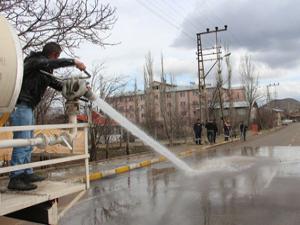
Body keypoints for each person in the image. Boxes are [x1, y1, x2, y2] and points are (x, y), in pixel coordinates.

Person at [8, 42, 86, 191]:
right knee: (22, 141)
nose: (57, 59)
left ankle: (26, 172)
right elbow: (50, 63)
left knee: (28, 142)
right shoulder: (35, 61)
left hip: (28, 107)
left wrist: (77, 88)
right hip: (21, 105)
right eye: (58, 56)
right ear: (55, 55)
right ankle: (15, 178)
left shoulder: (43, 69)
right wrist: (73, 62)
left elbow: (56, 84)